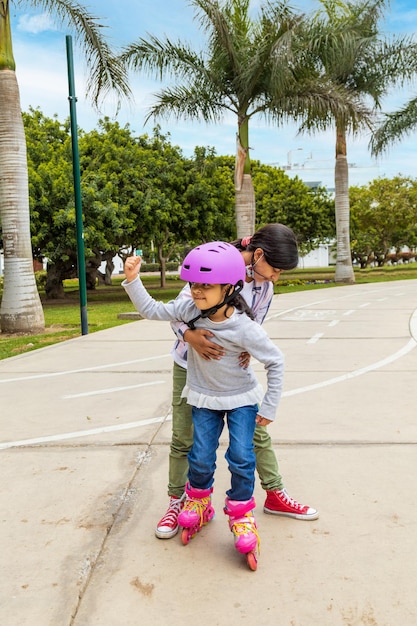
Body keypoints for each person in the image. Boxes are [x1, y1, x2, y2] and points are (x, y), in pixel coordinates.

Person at [123, 242, 285, 570]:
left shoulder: (244, 326)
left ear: (229, 288)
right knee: (199, 456)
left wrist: (269, 407)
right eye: (194, 284)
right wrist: (133, 279)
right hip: (204, 398)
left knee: (241, 457)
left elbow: (276, 361)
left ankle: (241, 515)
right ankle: (198, 504)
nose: (196, 291)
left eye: (205, 285)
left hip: (241, 400)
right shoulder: (190, 311)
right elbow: (152, 310)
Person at [155, 224, 318, 540]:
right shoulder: (212, 262)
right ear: (258, 255)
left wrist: (248, 352)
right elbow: (177, 311)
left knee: (256, 434)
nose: (275, 277)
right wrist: (189, 335)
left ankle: (273, 493)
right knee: (185, 438)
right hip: (191, 367)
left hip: (233, 376)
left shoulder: (264, 287)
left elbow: (254, 330)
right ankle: (178, 501)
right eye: (275, 269)